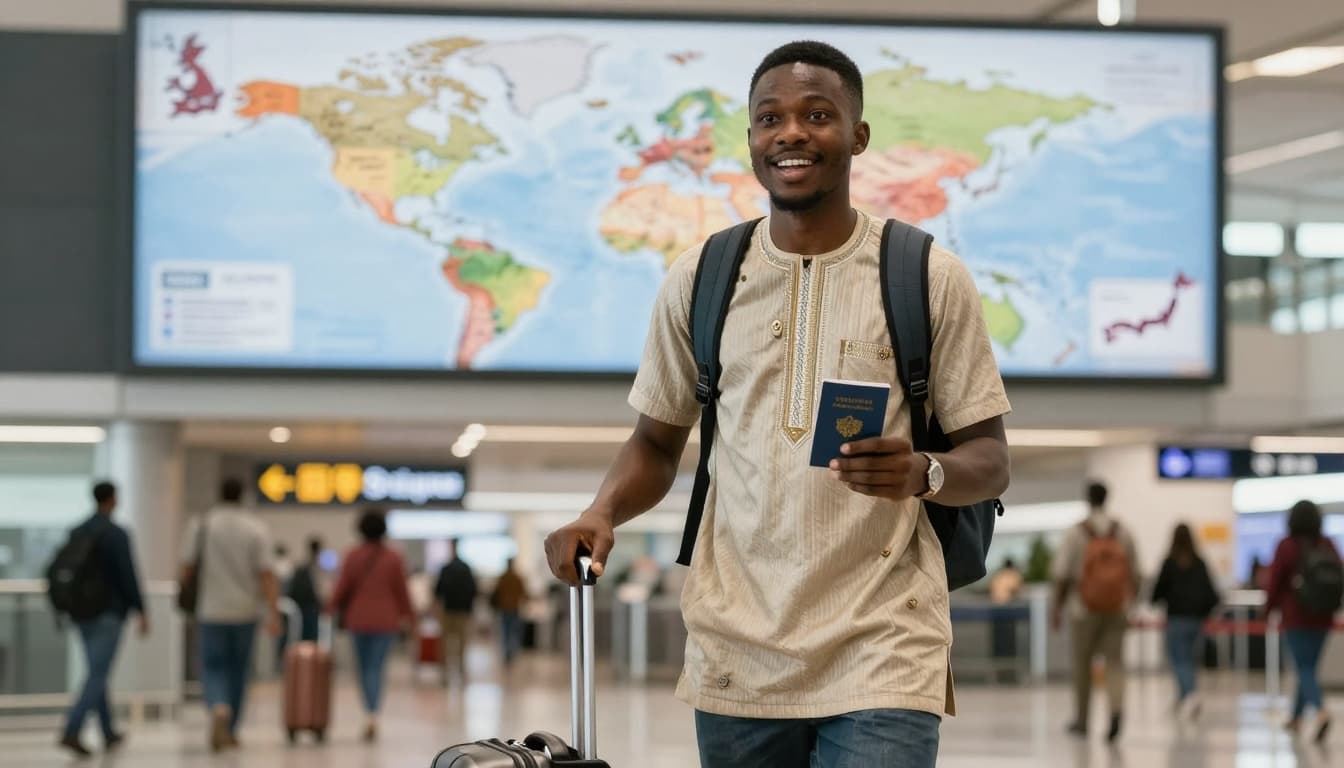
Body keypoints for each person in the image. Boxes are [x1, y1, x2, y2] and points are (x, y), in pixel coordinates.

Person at [543, 40, 1012, 768]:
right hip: (736, 652)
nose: (791, 132)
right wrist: (600, 513)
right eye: (770, 119)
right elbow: (656, 441)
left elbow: (990, 459)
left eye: (817, 115)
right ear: (753, 140)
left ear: (858, 136)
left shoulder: (926, 275)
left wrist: (926, 470)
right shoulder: (703, 276)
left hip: (884, 644)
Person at [179, 478, 282, 752]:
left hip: (210, 609)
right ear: (242, 496)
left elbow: (187, 568)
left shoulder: (202, 525)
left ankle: (218, 707)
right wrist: (274, 612)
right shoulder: (255, 529)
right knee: (239, 669)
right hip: (245, 610)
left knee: (212, 666)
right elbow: (266, 574)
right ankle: (233, 727)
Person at [58, 482, 150, 757]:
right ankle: (71, 729)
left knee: (98, 671)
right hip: (108, 613)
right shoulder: (116, 534)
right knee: (98, 673)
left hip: (81, 613)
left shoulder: (78, 531)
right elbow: (127, 574)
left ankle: (108, 732)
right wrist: (141, 609)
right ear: (113, 499)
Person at [1051, 481, 1141, 743]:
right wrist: (1131, 603)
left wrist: (1057, 608)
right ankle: (1115, 710)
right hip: (1116, 607)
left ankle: (1082, 720)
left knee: (1083, 665)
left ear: (1088, 499)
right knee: (1114, 663)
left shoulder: (1077, 532)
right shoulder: (1123, 532)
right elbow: (1136, 573)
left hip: (1082, 609)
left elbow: (1062, 574)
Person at [329, 509, 413, 743]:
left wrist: (330, 607)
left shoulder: (352, 555)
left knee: (363, 667)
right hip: (387, 621)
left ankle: (368, 711)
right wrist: (410, 619)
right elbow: (402, 592)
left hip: (358, 619)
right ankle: (372, 715)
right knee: (376, 667)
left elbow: (342, 587)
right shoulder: (394, 558)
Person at [1266, 500, 1340, 742]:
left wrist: (1268, 610)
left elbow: (1275, 582)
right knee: (1307, 667)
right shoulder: (1327, 544)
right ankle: (1297, 718)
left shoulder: (1286, 546)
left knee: (1303, 668)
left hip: (1296, 617)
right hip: (1323, 618)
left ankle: (1320, 711)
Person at [1150, 523, 1220, 719]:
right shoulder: (1199, 562)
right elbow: (1211, 592)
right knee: (1189, 659)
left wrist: (1156, 601)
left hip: (1176, 619)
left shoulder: (1169, 563)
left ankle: (1191, 694)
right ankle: (1182, 697)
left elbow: (1157, 591)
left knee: (1179, 660)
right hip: (1196, 620)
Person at [434, 538, 478, 686]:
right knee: (461, 643)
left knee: (445, 643)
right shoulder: (466, 568)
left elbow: (438, 591)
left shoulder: (445, 569)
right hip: (462, 611)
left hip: (448, 610)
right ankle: (461, 672)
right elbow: (473, 590)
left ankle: (445, 675)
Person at [285, 537, 325, 643]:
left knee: (303, 633)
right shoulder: (315, 565)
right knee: (311, 633)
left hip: (303, 603)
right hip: (310, 604)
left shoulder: (303, 564)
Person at [491, 558, 527, 667]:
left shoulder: (503, 578)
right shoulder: (517, 578)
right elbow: (523, 593)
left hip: (504, 608)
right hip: (514, 608)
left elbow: (496, 592)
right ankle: (512, 651)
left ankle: (507, 652)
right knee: (513, 631)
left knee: (505, 631)